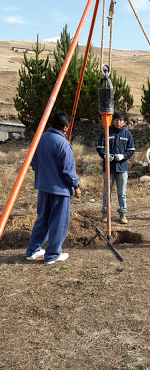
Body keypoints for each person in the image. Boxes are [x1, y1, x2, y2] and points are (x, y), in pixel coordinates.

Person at [26, 111, 81, 264]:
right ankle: (52, 255)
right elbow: (69, 171)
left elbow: (32, 162)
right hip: (60, 190)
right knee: (58, 222)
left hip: (43, 187)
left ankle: (33, 250)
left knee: (42, 219)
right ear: (64, 127)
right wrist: (76, 185)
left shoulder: (39, 139)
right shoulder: (63, 143)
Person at [97, 111, 135, 224]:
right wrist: (105, 155)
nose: (118, 122)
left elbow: (131, 150)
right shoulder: (106, 132)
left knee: (122, 193)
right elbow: (100, 148)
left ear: (124, 122)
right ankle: (105, 213)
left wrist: (123, 156)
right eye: (116, 120)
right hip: (108, 167)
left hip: (122, 168)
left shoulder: (127, 135)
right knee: (106, 192)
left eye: (121, 120)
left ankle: (122, 214)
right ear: (113, 120)